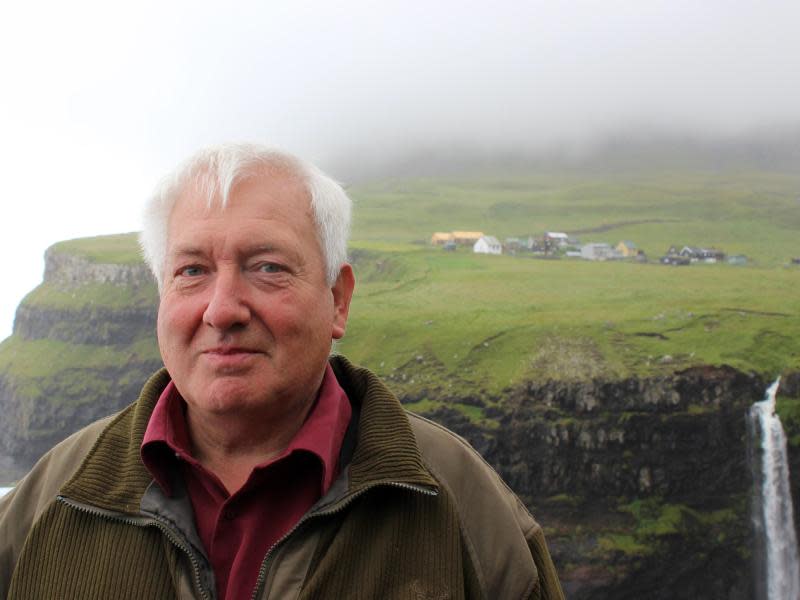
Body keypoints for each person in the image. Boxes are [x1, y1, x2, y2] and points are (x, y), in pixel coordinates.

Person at [0, 143, 564, 599]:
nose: (222, 310)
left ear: (338, 300)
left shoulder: (460, 504)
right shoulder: (52, 500)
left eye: (267, 267)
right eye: (191, 270)